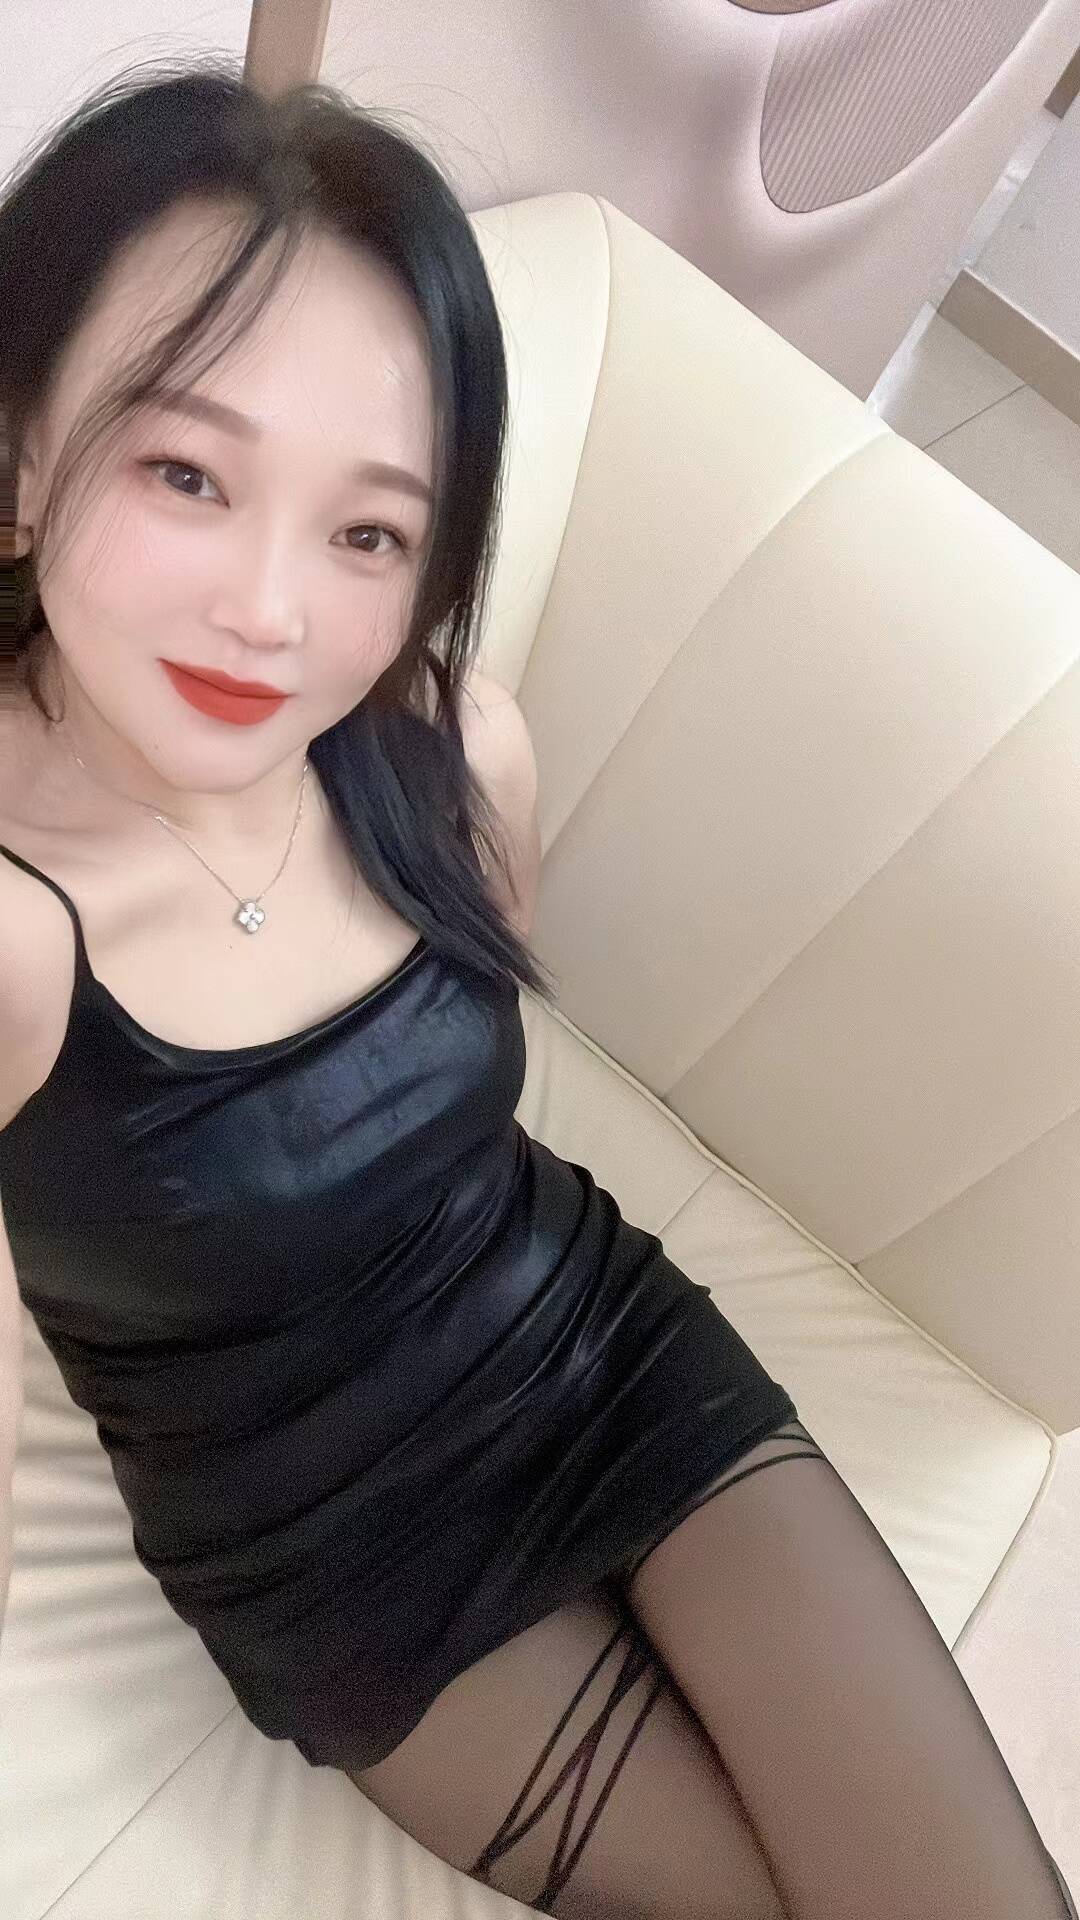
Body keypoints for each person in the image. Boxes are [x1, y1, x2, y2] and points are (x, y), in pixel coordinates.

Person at [0, 59, 1073, 1920]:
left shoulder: (448, 746)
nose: (273, 611)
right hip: (343, 1557)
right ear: (21, 458)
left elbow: (476, 1040)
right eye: (187, 473)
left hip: (595, 1344)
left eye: (367, 531)